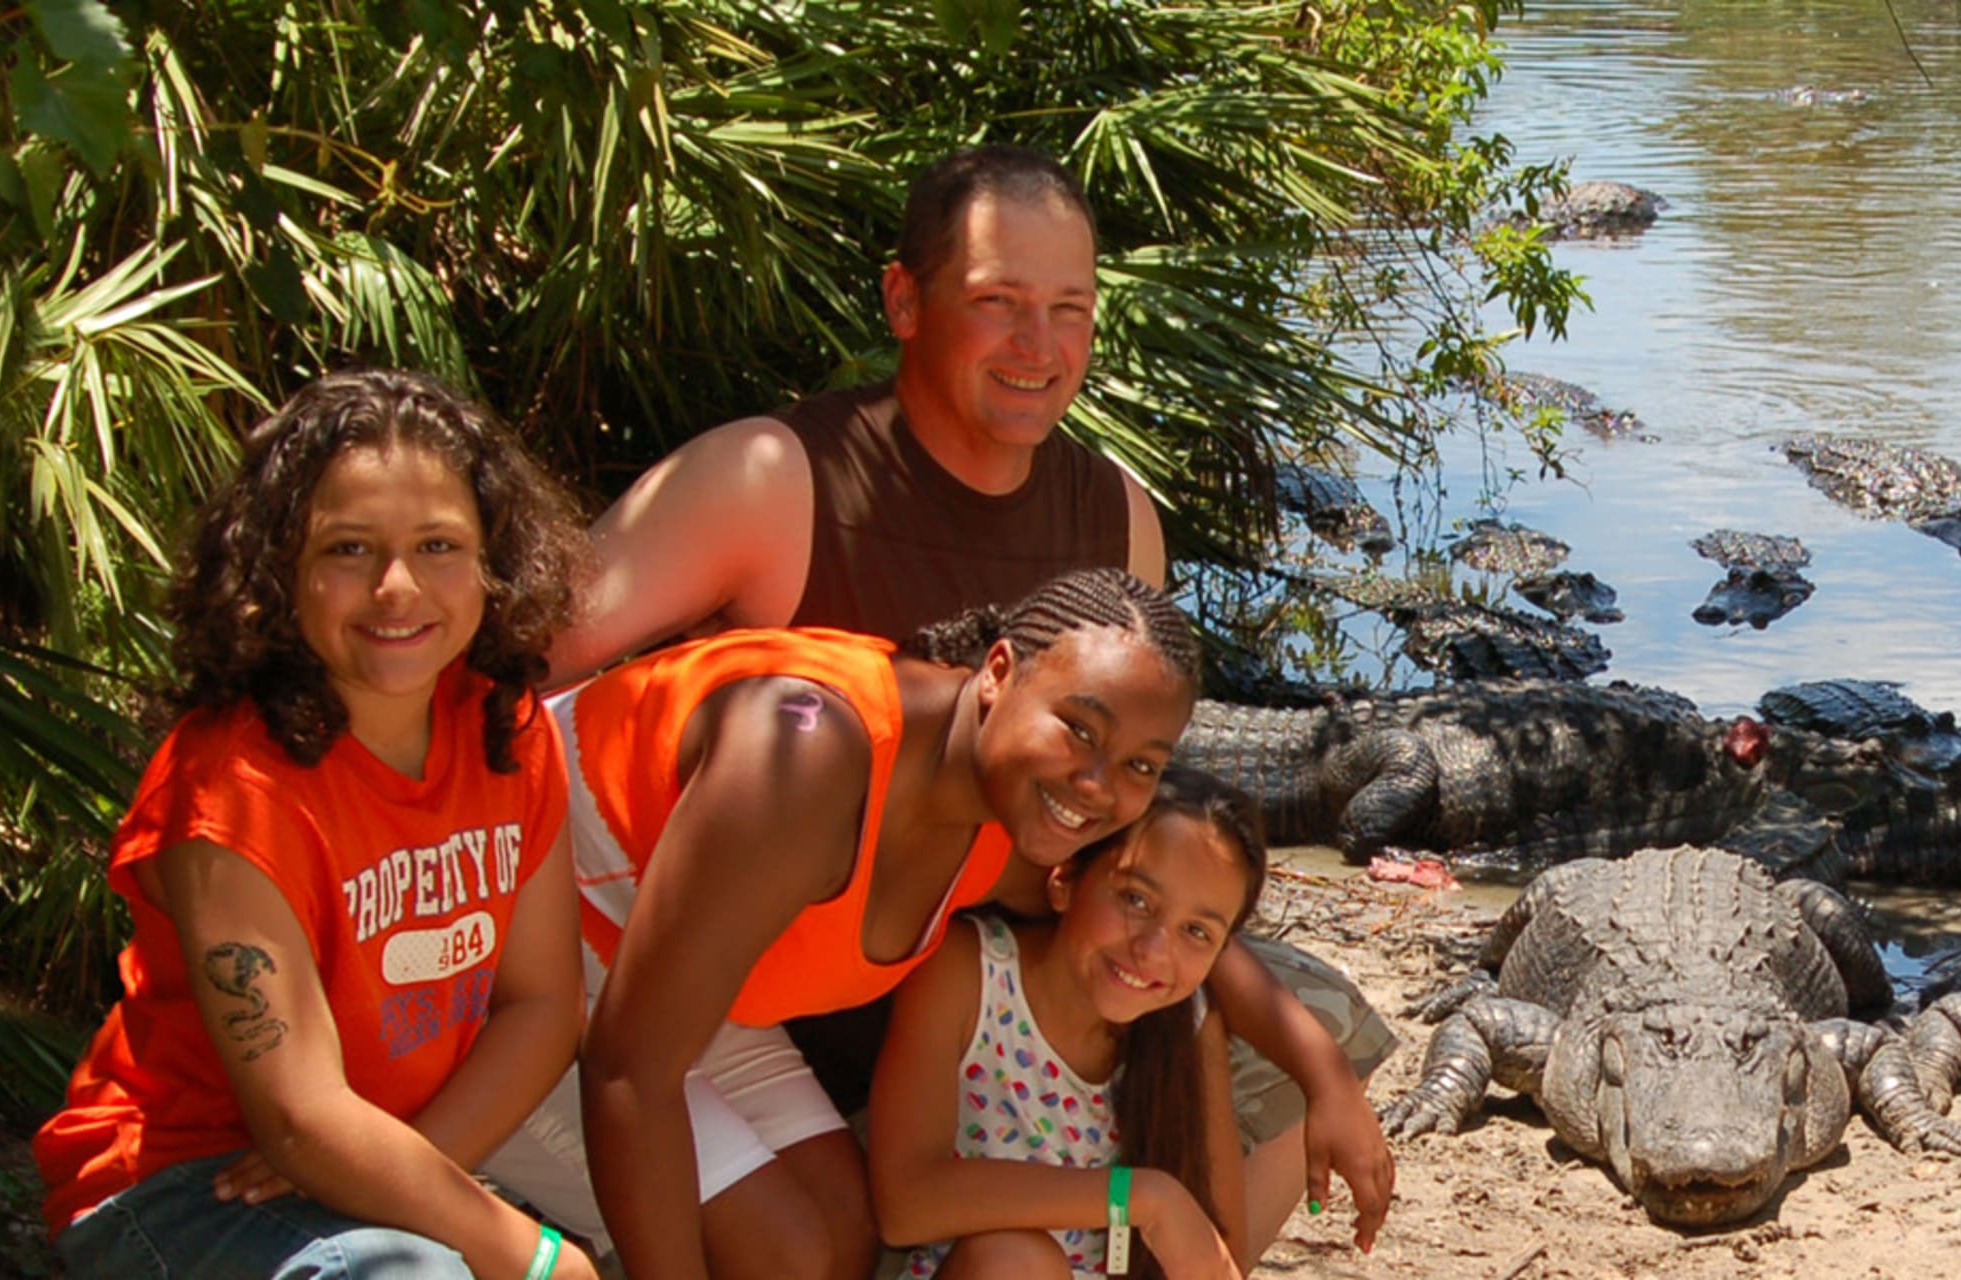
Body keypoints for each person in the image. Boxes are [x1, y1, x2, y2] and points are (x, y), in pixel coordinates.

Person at [541, 142, 1393, 1261]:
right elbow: (511, 674)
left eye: (1069, 309)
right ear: (906, 298)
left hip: (904, 972)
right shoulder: (779, 483)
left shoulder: (1113, 519)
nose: (1038, 347)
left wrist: (1319, 1070)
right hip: (680, 954)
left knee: (1287, 1014)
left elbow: (1129, 852)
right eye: (998, 303)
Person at [31, 369, 598, 1280]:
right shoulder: (233, 782)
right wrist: (530, 1257)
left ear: (497, 559)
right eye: (346, 549)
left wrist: (395, 1177)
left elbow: (541, 1007)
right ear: (277, 571)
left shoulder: (504, 728)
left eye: (439, 544)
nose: (397, 586)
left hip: (372, 1162)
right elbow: (297, 1117)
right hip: (181, 1183)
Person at [478, 568, 1201, 1280]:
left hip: (671, 981)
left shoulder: (1021, 817)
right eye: (1078, 730)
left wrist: (1314, 1067)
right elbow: (627, 1070)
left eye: (1140, 765)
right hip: (497, 949)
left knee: (843, 1234)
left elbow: (1170, 903)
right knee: (779, 1255)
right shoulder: (807, 757)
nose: (1099, 784)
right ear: (999, 672)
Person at [870, 768, 1278, 1279]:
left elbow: (1213, 1259)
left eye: (1195, 931)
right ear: (1064, 881)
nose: (1152, 951)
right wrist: (1138, 1197)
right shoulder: (968, 974)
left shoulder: (1188, 1027)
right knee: (1015, 1260)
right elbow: (904, 1205)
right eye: (1135, 900)